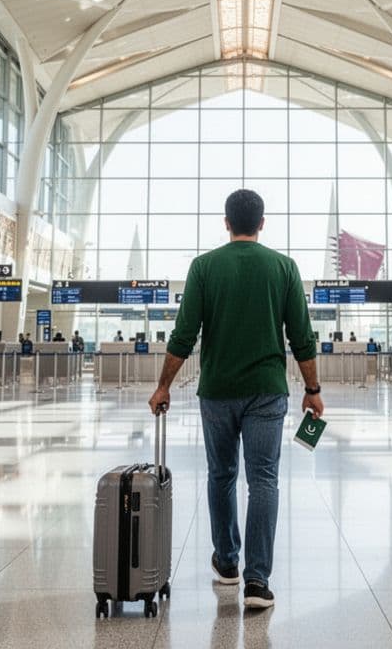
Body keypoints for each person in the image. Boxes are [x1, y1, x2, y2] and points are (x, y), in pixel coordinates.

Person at [148, 189, 320, 611]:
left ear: (226, 223)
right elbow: (302, 335)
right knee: (263, 480)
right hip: (266, 391)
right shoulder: (284, 267)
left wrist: (164, 384)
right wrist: (313, 391)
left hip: (218, 391)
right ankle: (257, 581)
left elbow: (184, 334)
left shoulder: (204, 267)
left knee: (221, 475)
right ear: (262, 223)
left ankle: (227, 563)